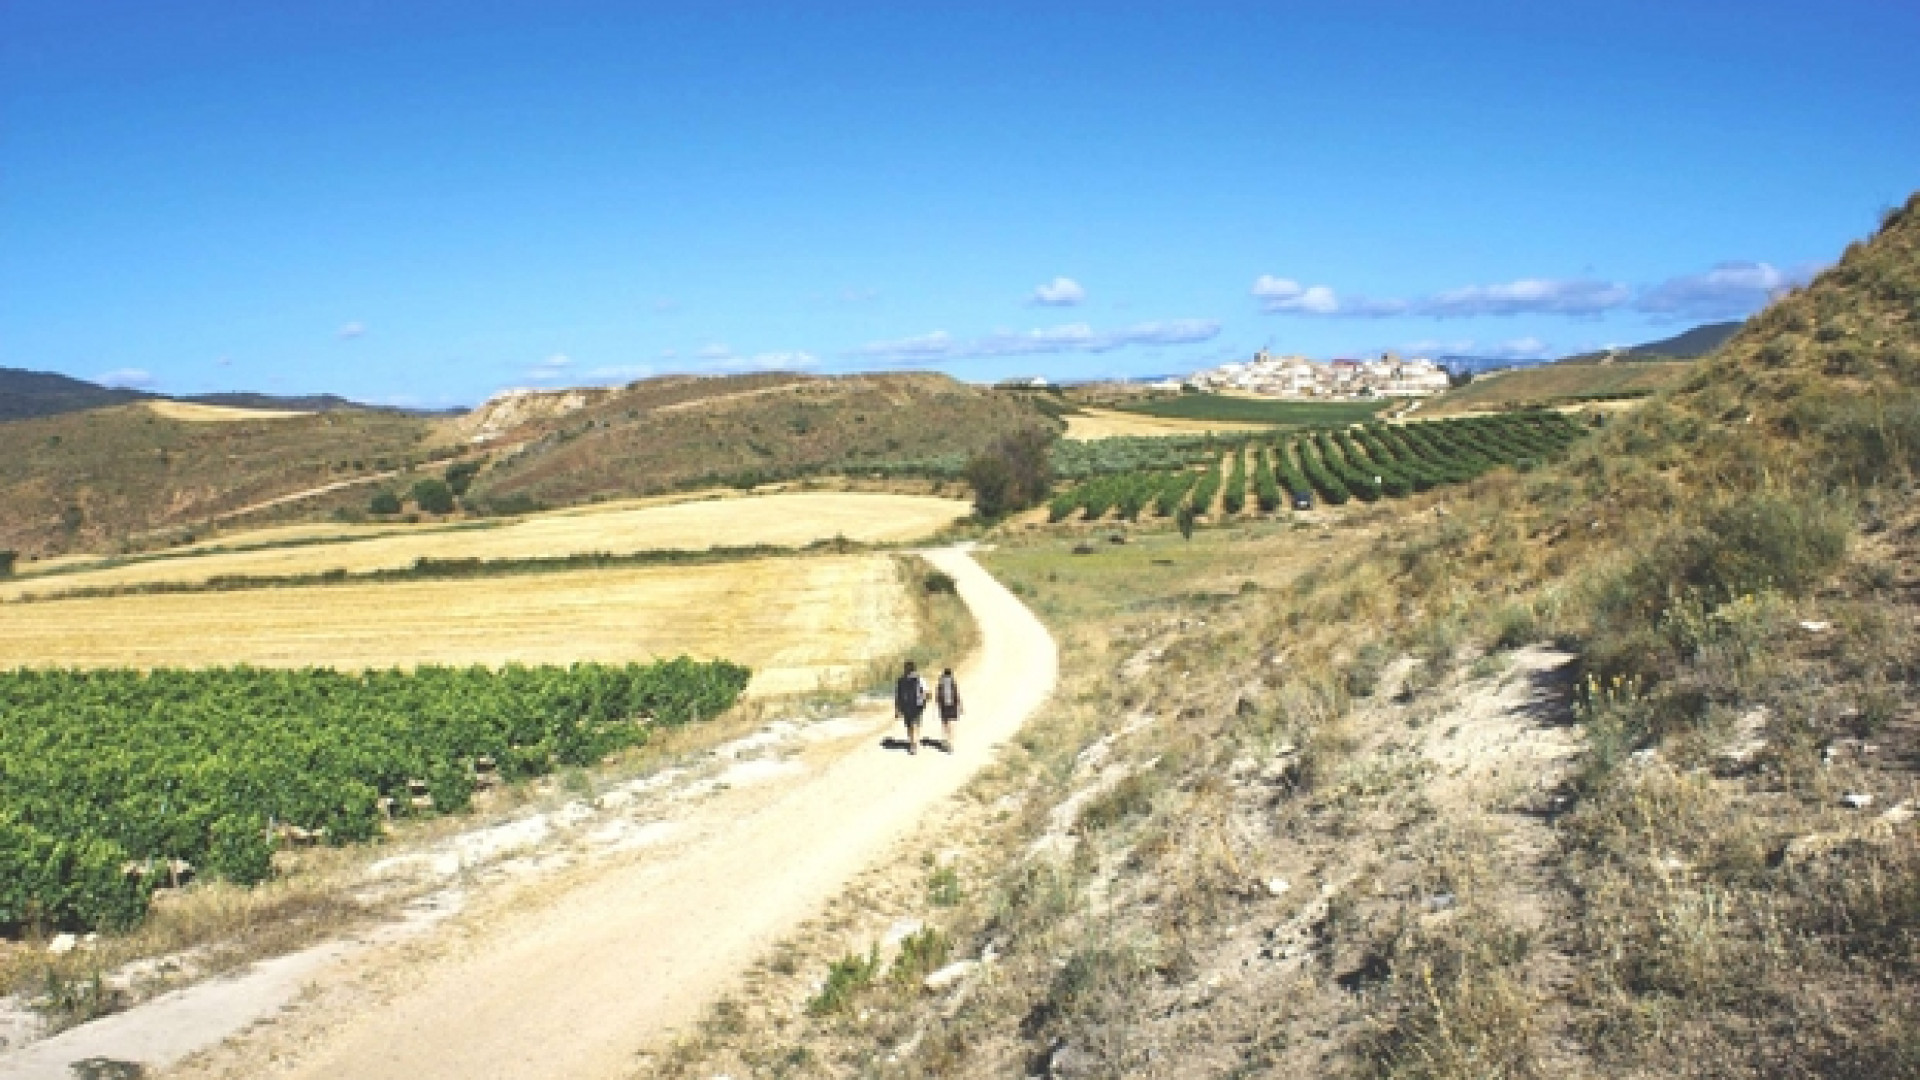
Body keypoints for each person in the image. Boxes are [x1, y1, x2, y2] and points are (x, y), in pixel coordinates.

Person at [893, 660, 929, 755]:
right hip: (917, 705)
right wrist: (924, 702)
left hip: (905, 706)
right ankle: (915, 742)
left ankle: (913, 743)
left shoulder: (900, 680)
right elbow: (926, 692)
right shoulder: (919, 679)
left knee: (909, 726)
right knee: (916, 724)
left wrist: (897, 709)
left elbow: (897, 696)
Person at [935, 667, 963, 752]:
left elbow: (937, 697)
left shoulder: (940, 682)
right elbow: (956, 695)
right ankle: (951, 743)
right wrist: (961, 706)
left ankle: (945, 741)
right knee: (952, 724)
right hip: (952, 705)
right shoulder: (953, 682)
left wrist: (937, 705)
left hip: (943, 706)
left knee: (944, 724)